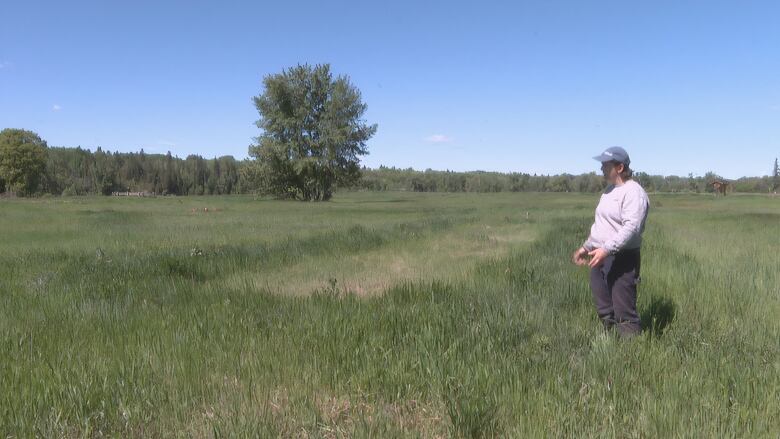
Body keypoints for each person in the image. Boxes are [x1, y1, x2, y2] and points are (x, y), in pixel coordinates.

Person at [571, 146, 649, 337]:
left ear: (620, 167)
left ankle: (631, 353)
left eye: (605, 165)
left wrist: (606, 250)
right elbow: (602, 225)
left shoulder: (634, 192)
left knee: (624, 312)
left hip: (622, 258)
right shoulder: (609, 191)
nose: (601, 169)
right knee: (605, 307)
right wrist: (586, 247)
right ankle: (609, 342)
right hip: (600, 256)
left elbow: (632, 228)